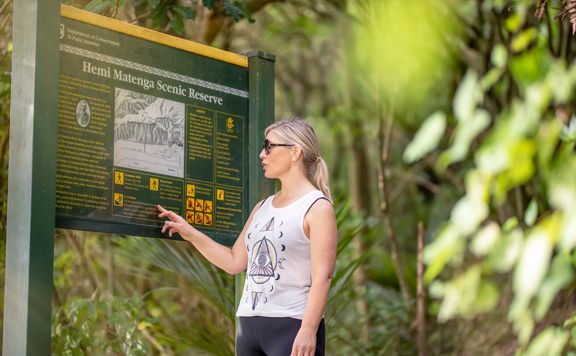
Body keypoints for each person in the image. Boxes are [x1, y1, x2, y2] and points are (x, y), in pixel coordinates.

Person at [158, 118, 337, 356]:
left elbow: (322, 277)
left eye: (269, 146)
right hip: (248, 327)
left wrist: (308, 329)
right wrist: (189, 233)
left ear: (295, 152)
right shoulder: (262, 207)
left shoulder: (317, 207)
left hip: (291, 326)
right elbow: (234, 262)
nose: (262, 154)